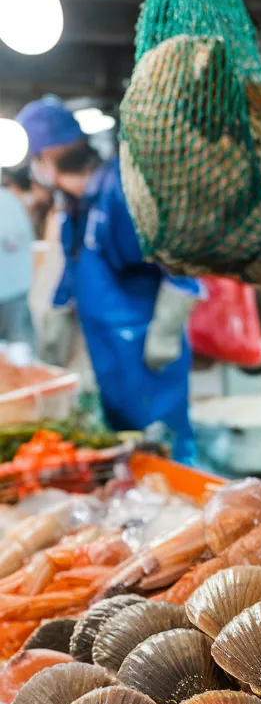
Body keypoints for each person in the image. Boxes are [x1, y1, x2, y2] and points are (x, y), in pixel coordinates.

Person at [15, 98, 199, 462]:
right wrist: (55, 325)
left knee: (164, 448)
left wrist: (166, 328)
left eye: (35, 158)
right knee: (126, 452)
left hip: (146, 349)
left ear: (49, 156)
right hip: (107, 351)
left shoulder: (123, 192)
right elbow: (70, 272)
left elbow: (181, 261)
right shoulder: (72, 204)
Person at [0, 168, 35, 350]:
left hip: (10, 292)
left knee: (19, 350)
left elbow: (12, 240)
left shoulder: (4, 201)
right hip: (11, 290)